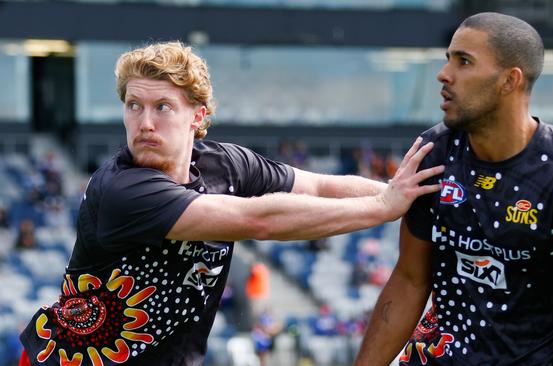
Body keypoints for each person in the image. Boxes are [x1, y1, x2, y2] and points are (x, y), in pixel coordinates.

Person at [18, 41, 444, 366]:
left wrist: (403, 192)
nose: (144, 122)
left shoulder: (226, 164)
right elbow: (256, 221)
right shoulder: (122, 190)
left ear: (198, 117)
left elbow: (317, 187)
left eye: (162, 107)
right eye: (134, 106)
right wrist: (382, 207)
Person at [355, 12, 553, 366]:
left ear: (509, 80)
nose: (444, 74)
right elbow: (410, 279)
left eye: (464, 61)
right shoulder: (434, 154)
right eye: (448, 59)